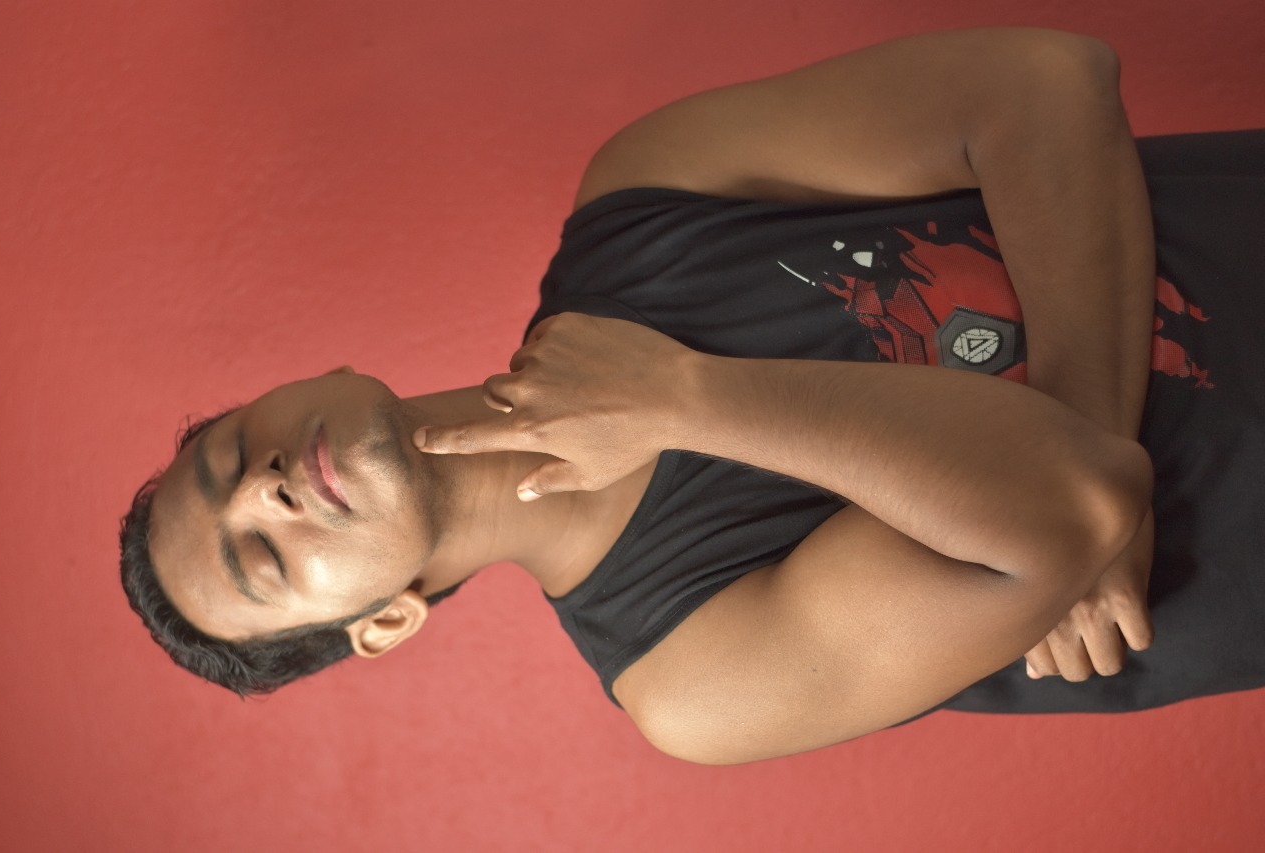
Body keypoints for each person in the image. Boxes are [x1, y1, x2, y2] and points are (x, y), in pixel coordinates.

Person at [121, 25, 1265, 764]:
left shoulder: (643, 195)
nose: (265, 491)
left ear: (312, 380)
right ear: (385, 622)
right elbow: (1073, 502)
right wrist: (683, 401)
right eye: (261, 559)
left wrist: (1093, 440)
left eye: (233, 454)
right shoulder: (688, 675)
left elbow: (1043, 80)